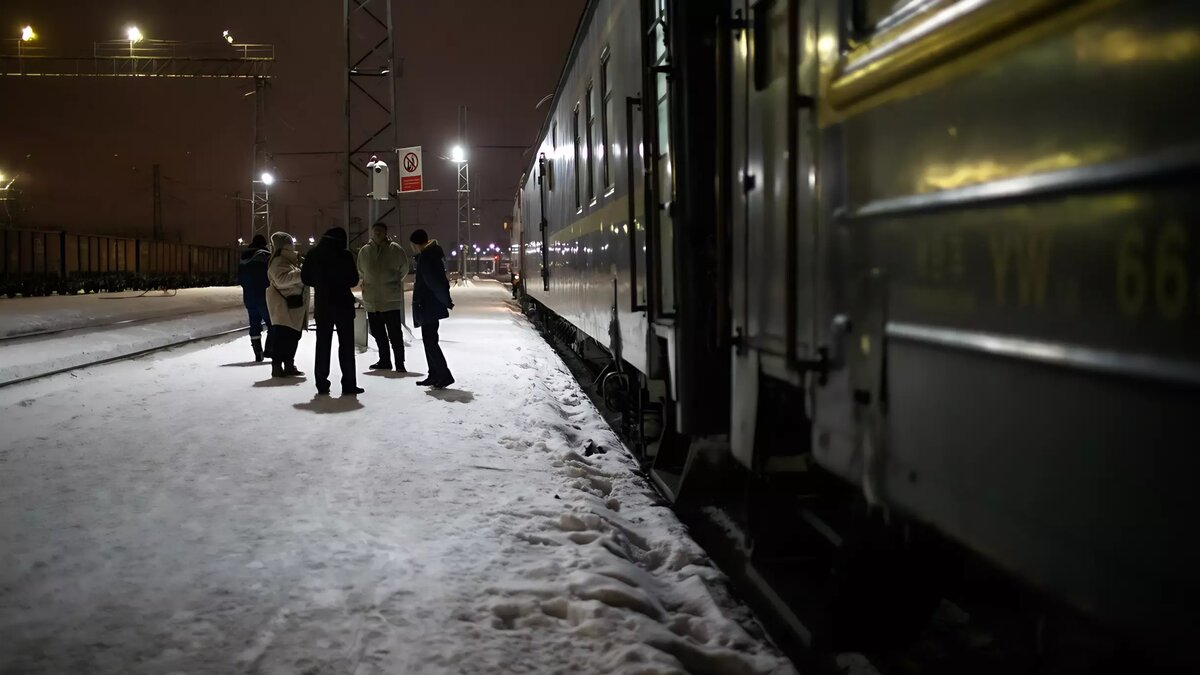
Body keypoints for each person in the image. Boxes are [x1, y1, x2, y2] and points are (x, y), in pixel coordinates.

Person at [300, 227, 363, 396]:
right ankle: (349, 383)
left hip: (323, 305)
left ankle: (321, 384)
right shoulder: (345, 255)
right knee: (347, 347)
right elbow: (353, 280)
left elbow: (305, 278)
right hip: (343, 305)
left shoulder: (313, 254)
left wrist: (321, 282)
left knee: (323, 345)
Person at [358, 222, 410, 371]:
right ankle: (384, 360)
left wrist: (392, 283)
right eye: (375, 231)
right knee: (377, 332)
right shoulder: (365, 251)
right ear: (371, 232)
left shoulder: (395, 249)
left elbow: (404, 269)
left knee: (395, 334)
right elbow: (361, 271)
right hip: (372, 300)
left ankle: (400, 363)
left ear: (386, 233)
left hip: (390, 300)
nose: (378, 234)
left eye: (380, 231)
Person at [409, 228, 454, 388]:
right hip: (431, 304)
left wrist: (445, 300)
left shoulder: (426, 257)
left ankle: (443, 374)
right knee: (430, 340)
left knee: (430, 342)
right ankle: (434, 374)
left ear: (415, 244)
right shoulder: (432, 255)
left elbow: (432, 283)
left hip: (428, 304)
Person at [266, 231, 308, 378]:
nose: (292, 244)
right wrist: (302, 275)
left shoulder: (289, 260)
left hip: (292, 305)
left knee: (293, 336)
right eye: (290, 242)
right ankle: (277, 367)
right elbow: (281, 280)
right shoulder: (279, 261)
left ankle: (289, 365)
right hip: (283, 306)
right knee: (282, 337)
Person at [237, 234, 272, 362]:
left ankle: (258, 352)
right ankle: (269, 350)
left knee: (254, 324)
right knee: (272, 323)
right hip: (264, 296)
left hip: (249, 297)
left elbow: (240, 278)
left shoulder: (243, 257)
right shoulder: (265, 256)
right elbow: (270, 276)